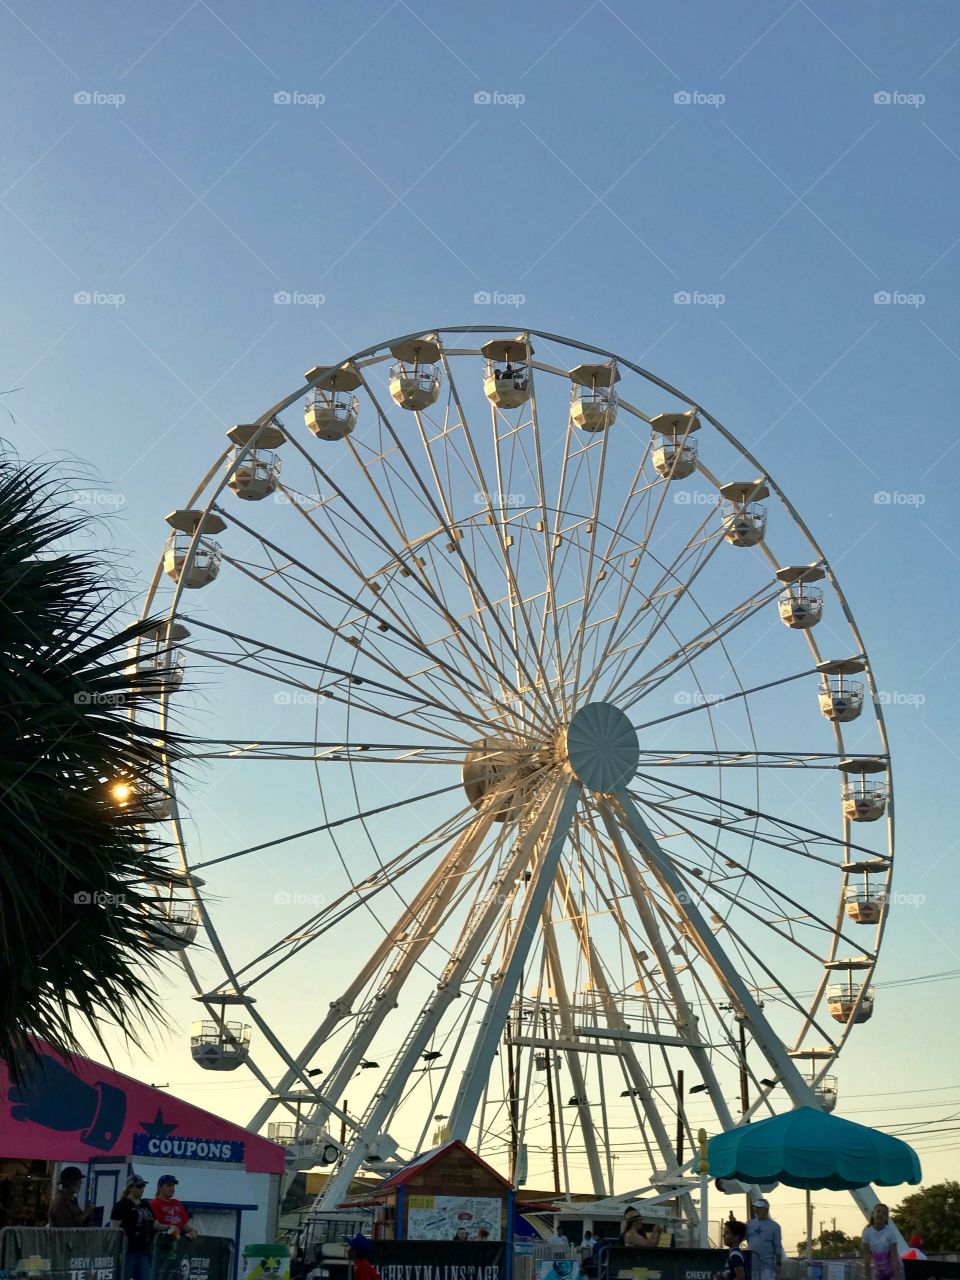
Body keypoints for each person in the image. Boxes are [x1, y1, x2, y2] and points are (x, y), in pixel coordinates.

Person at [110, 1175, 157, 1280]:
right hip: (128, 1250)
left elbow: (155, 1223)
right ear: (130, 1187)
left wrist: (169, 1227)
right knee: (124, 1276)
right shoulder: (122, 1205)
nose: (142, 1189)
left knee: (147, 1277)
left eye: (143, 1186)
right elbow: (115, 1228)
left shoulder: (146, 1204)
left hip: (144, 1250)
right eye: (139, 1186)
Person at [746, 1198, 783, 1280]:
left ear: (766, 1209)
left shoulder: (775, 1226)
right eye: (756, 1208)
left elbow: (778, 1246)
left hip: (767, 1267)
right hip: (751, 1266)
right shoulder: (749, 1224)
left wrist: (778, 1263)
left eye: (759, 1208)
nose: (756, 1210)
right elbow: (742, 1237)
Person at [150, 1175, 197, 1240]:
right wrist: (169, 1228)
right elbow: (154, 1225)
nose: (172, 1188)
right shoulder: (154, 1203)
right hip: (161, 1240)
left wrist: (191, 1231)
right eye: (169, 1185)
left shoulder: (177, 1203)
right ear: (160, 1187)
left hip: (177, 1241)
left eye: (173, 1186)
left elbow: (186, 1226)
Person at [862, 1204, 901, 1280]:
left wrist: (897, 1277)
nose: (880, 1214)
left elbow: (894, 1258)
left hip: (892, 1271)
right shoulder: (867, 1233)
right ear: (873, 1214)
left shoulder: (890, 1233)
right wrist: (868, 1277)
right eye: (878, 1211)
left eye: (884, 1213)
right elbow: (867, 1259)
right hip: (878, 1273)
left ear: (886, 1218)